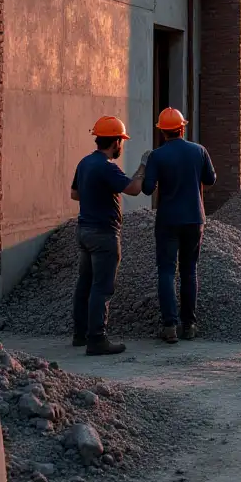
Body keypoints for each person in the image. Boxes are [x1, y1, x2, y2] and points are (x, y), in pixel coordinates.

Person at [70, 116, 150, 355]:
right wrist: (143, 165)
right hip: (104, 234)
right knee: (102, 287)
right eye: (121, 141)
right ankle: (97, 339)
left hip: (84, 231)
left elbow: (75, 194)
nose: (121, 146)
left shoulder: (85, 163)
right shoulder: (107, 167)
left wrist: (96, 195)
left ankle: (80, 335)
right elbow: (134, 190)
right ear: (115, 141)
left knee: (84, 283)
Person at [142, 107, 216, 344]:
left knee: (166, 271)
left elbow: (146, 188)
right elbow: (211, 179)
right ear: (182, 128)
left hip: (168, 221)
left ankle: (169, 326)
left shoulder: (157, 156)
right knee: (189, 271)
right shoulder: (199, 151)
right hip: (195, 219)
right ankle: (189, 325)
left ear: (162, 131)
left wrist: (147, 166)